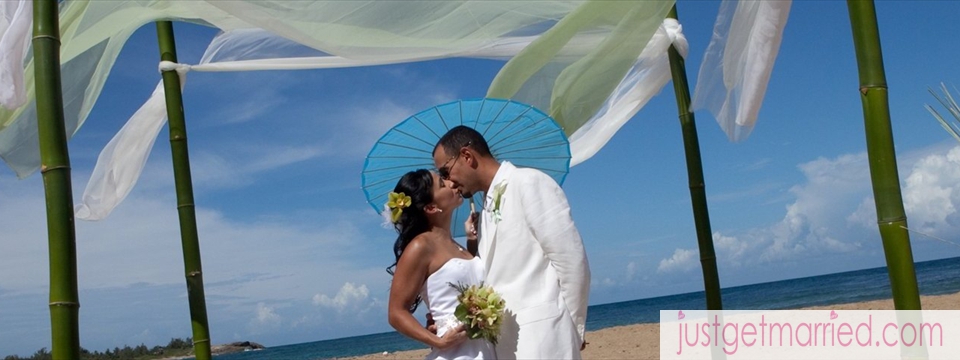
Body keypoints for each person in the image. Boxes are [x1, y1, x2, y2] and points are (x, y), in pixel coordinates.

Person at [433, 125, 591, 359]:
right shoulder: (485, 210)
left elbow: (572, 263)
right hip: (505, 346)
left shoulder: (528, 182)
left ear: (467, 156)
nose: (449, 182)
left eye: (446, 171)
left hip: (545, 338)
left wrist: (572, 330)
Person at [386, 169, 495, 360]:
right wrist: (438, 342)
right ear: (431, 207)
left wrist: (472, 240)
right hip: (456, 353)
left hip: (485, 349)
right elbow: (396, 312)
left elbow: (469, 281)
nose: (452, 182)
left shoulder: (456, 245)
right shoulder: (420, 246)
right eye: (442, 184)